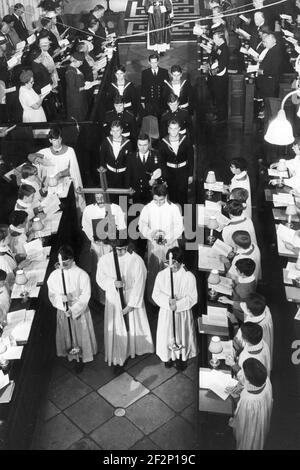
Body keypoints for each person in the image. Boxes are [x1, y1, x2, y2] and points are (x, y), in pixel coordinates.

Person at [96, 236, 154, 368]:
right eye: (118, 249)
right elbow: (100, 279)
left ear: (128, 247)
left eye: (123, 249)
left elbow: (140, 283)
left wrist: (130, 305)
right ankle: (120, 352)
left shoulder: (136, 260)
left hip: (132, 296)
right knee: (118, 328)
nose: (120, 252)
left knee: (133, 326)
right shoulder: (105, 260)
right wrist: (113, 283)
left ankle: (135, 349)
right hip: (114, 298)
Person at [47, 245, 98, 373]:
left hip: (78, 312)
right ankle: (73, 356)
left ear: (71, 259)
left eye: (65, 262)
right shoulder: (54, 275)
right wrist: (61, 303)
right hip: (63, 312)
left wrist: (74, 309)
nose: (62, 266)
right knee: (68, 335)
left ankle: (82, 356)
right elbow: (52, 294)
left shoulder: (82, 274)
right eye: (60, 263)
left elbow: (85, 296)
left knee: (80, 335)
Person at [152, 247, 198, 370]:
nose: (172, 266)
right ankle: (168, 357)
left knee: (181, 334)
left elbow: (193, 298)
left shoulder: (189, 276)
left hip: (182, 314)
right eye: (169, 263)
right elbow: (155, 294)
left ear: (182, 262)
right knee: (167, 334)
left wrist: (178, 304)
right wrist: (168, 302)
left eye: (175, 263)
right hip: (167, 313)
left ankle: (181, 358)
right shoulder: (161, 275)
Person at [138, 183, 183, 302]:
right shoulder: (148, 207)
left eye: (161, 200)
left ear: (166, 196)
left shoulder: (173, 208)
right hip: (154, 244)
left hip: (169, 244)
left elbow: (179, 227)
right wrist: (150, 234)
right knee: (154, 270)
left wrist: (168, 238)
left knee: (169, 269)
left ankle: (171, 297)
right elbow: (142, 224)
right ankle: (155, 299)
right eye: (155, 200)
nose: (158, 203)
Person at [28, 126, 86, 217]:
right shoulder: (45, 152)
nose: (58, 142)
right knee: (52, 211)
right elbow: (30, 156)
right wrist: (35, 159)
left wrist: (60, 174)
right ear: (50, 140)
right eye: (55, 140)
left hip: (66, 184)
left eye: (59, 139)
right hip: (50, 187)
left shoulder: (70, 151)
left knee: (68, 210)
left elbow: (73, 170)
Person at [81, 192, 126, 304]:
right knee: (99, 270)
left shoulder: (116, 208)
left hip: (111, 245)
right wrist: (93, 238)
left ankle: (118, 295)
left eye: (102, 196)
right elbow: (85, 226)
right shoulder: (88, 210)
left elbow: (122, 227)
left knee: (114, 268)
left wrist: (113, 239)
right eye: (97, 197)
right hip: (97, 246)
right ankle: (102, 298)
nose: (100, 199)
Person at [228, 358, 273, 450]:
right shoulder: (266, 380)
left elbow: (240, 419)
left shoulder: (248, 400)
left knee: (249, 442)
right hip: (262, 420)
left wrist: (236, 398)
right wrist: (235, 366)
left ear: (248, 379)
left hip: (249, 428)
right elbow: (247, 378)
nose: (242, 375)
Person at [159, 119, 194, 206]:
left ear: (179, 129)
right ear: (168, 130)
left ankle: (185, 218)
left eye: (175, 128)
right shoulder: (163, 142)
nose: (173, 131)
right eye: (171, 128)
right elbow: (162, 162)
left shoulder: (186, 140)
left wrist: (190, 174)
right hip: (170, 173)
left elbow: (191, 159)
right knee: (172, 197)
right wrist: (164, 177)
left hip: (183, 171)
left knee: (183, 196)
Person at [125, 133, 166, 204]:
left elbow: (164, 173)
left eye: (145, 145)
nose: (142, 148)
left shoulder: (156, 155)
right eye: (140, 145)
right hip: (136, 194)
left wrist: (155, 181)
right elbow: (128, 177)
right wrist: (129, 194)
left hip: (152, 194)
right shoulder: (131, 157)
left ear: (149, 144)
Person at [235, 292, 274, 366]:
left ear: (249, 311)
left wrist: (235, 323)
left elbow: (239, 344)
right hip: (262, 344)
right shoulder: (265, 309)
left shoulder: (250, 328)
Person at [99, 120, 132, 190]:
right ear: (110, 131)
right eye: (113, 131)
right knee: (111, 196)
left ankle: (122, 201)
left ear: (122, 130)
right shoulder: (106, 141)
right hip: (109, 175)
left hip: (123, 176)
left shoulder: (128, 143)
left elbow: (129, 162)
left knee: (122, 198)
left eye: (117, 130)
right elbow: (102, 157)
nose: (115, 133)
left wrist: (128, 178)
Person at [207, 29, 229, 122]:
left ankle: (221, 117)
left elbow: (221, 66)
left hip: (221, 78)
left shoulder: (224, 49)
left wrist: (211, 72)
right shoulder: (219, 46)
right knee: (216, 96)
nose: (213, 40)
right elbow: (214, 54)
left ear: (221, 38)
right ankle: (217, 112)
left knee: (220, 97)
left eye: (215, 38)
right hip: (216, 77)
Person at [140, 53, 169, 117]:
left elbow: (167, 87)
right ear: (149, 62)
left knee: (161, 118)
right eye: (152, 63)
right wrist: (142, 101)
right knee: (151, 118)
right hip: (149, 101)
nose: (154, 65)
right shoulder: (145, 73)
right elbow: (143, 87)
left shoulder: (164, 72)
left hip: (161, 101)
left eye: (155, 62)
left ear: (158, 62)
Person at [65, 51, 88, 122]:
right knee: (78, 118)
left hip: (79, 97)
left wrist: (87, 83)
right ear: (74, 61)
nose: (81, 64)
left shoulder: (75, 69)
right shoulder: (70, 72)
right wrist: (84, 87)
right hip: (75, 100)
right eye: (80, 62)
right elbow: (72, 89)